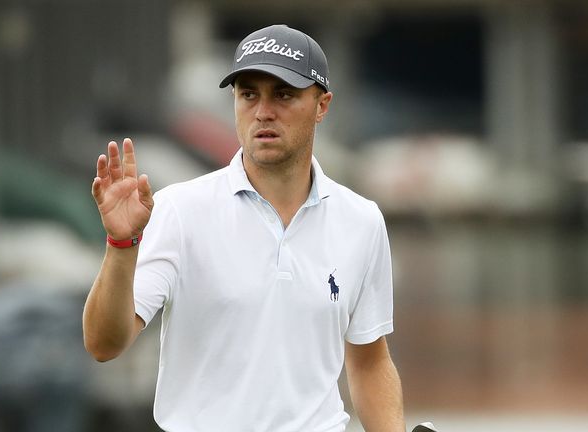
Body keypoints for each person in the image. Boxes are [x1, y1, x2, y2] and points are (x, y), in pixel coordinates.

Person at [83, 24, 405, 432]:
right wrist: (120, 244)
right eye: (248, 94)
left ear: (322, 106)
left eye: (283, 94)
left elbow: (370, 359)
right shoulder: (179, 210)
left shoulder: (362, 220)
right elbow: (104, 344)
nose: (263, 111)